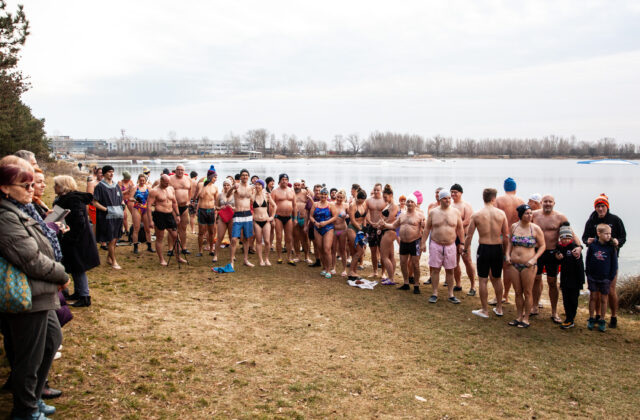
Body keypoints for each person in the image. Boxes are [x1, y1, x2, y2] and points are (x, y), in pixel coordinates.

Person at [0, 158, 69, 419]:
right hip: (27, 294)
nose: (32, 189)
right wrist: (61, 273)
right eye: (25, 184)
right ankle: (25, 410)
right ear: (5, 188)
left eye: (33, 184)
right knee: (29, 356)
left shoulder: (22, 209)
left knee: (51, 342)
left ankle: (34, 397)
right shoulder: (6, 216)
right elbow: (30, 259)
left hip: (41, 291)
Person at [531, 195, 582, 323]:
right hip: (537, 251)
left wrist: (580, 246)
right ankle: (535, 306)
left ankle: (554, 312)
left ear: (554, 203)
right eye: (545, 201)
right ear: (541, 202)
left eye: (550, 201)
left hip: (552, 252)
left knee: (552, 281)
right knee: (536, 279)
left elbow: (571, 232)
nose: (547, 204)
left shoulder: (560, 217)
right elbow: (525, 227)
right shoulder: (534, 215)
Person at [53, 175, 100, 308]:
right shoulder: (67, 198)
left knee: (79, 267)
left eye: (56, 185)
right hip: (74, 237)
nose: (54, 188)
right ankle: (79, 292)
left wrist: (70, 237)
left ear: (63, 186)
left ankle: (85, 296)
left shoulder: (73, 200)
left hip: (77, 239)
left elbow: (79, 222)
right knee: (75, 266)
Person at [582, 194, 626, 329]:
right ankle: (596, 316)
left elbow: (623, 237)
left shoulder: (615, 220)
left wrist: (618, 242)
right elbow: (585, 238)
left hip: (610, 261)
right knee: (595, 293)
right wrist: (587, 241)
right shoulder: (591, 220)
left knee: (610, 290)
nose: (600, 209)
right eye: (598, 206)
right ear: (595, 207)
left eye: (603, 206)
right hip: (596, 261)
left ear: (607, 207)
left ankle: (613, 316)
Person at [464, 188, 509, 318]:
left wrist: (466, 249)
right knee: (497, 278)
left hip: (484, 248)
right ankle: (499, 308)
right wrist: (506, 252)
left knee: (483, 280)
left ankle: (484, 310)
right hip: (497, 248)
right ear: (494, 198)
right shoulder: (501, 214)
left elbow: (469, 236)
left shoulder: (477, 214)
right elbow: (506, 236)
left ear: (483, 198)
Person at [504, 204, 545, 328]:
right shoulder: (514, 226)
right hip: (514, 264)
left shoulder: (535, 229)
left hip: (528, 265)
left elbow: (543, 246)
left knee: (527, 292)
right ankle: (518, 316)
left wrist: (534, 259)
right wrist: (507, 255)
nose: (530, 215)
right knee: (517, 292)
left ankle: (526, 318)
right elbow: (510, 242)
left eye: (531, 213)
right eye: (527, 213)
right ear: (521, 215)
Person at [421, 189, 464, 303]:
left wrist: (462, 243)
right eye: (445, 198)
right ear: (440, 199)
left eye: (449, 198)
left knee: (450, 270)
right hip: (436, 244)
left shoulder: (456, 212)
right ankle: (434, 293)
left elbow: (460, 229)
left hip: (450, 245)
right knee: (435, 270)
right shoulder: (433, 212)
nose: (448, 200)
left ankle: (451, 294)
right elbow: (427, 229)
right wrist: (423, 243)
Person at [382, 194, 424, 293]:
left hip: (415, 241)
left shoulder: (420, 215)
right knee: (403, 263)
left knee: (415, 264)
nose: (409, 203)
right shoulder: (402, 215)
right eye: (408, 201)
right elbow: (394, 225)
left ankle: (416, 285)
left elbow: (425, 229)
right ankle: (406, 283)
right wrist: (384, 225)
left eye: (411, 202)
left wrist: (423, 242)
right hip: (404, 242)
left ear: (415, 204)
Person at [494, 177, 524, 305]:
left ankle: (498, 296)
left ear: (504, 188)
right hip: (515, 237)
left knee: (496, 267)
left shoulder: (499, 200)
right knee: (508, 267)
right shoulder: (521, 201)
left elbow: (494, 218)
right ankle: (506, 295)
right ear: (515, 189)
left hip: (501, 236)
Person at [148, 174, 186, 266]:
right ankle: (161, 259)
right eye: (165, 183)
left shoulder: (170, 189)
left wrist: (177, 215)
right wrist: (150, 220)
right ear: (161, 181)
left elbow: (174, 203)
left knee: (175, 236)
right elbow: (149, 206)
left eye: (168, 183)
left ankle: (178, 257)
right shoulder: (154, 191)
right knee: (160, 238)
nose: (167, 184)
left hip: (169, 215)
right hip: (159, 215)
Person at [585, 224, 618, 332]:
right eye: (606, 234)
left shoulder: (611, 247)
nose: (609, 236)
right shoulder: (593, 246)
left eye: (610, 234)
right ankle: (591, 318)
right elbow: (588, 260)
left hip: (605, 278)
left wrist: (611, 277)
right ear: (599, 234)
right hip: (593, 277)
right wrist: (588, 274)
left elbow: (614, 264)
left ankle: (602, 320)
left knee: (604, 299)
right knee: (593, 297)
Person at [92, 165, 124, 270]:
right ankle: (114, 261)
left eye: (112, 172)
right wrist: (106, 209)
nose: (111, 174)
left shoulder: (116, 186)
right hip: (107, 216)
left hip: (118, 215)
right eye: (109, 172)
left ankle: (109, 258)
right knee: (110, 239)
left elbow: (121, 199)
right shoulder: (100, 187)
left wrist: (122, 205)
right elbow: (95, 202)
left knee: (115, 239)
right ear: (105, 173)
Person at [554, 222, 585, 329]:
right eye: (563, 238)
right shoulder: (560, 247)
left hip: (575, 280)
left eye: (568, 238)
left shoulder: (575, 248)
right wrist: (557, 254)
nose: (566, 240)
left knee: (573, 299)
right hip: (565, 279)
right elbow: (557, 255)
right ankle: (568, 316)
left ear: (571, 238)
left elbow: (580, 266)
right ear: (560, 239)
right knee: (566, 298)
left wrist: (581, 281)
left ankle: (570, 319)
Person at [450, 183, 476, 295]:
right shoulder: (449, 205)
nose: (453, 194)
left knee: (467, 260)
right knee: (454, 262)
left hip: (463, 237)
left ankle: (473, 286)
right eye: (452, 192)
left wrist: (455, 225)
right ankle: (458, 284)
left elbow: (468, 221)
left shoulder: (466, 205)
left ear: (461, 193)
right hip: (451, 237)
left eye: (455, 192)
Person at [228, 169, 254, 267]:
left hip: (247, 214)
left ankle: (245, 260)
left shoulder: (251, 187)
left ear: (248, 177)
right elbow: (227, 195)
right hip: (238, 214)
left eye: (246, 175)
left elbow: (253, 200)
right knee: (234, 239)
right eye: (243, 175)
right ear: (240, 176)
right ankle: (231, 261)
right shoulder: (236, 186)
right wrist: (231, 188)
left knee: (247, 239)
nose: (244, 177)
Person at [309, 188, 338, 278]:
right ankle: (324, 268)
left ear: (327, 195)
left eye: (325, 194)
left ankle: (329, 270)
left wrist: (326, 222)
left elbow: (335, 216)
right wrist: (315, 223)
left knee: (327, 249)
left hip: (328, 228)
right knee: (320, 249)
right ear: (320, 195)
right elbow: (311, 216)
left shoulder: (330, 205)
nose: (323, 196)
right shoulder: (315, 204)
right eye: (322, 194)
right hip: (317, 228)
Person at [271, 173, 296, 265]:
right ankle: (279, 257)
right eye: (283, 179)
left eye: (286, 179)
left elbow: (295, 205)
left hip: (289, 217)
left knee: (289, 238)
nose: (284, 181)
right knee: (279, 237)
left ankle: (289, 257)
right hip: (278, 217)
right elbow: (271, 206)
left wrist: (295, 218)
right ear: (279, 181)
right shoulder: (275, 191)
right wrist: (272, 218)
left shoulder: (291, 191)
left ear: (288, 181)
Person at [169, 165, 192, 255]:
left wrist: (189, 200)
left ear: (184, 170)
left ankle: (184, 247)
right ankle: (171, 248)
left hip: (184, 207)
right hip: (174, 207)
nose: (180, 171)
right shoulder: (171, 179)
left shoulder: (187, 179)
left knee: (183, 228)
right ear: (175, 170)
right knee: (173, 228)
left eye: (182, 170)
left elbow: (190, 190)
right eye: (178, 170)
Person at [378, 184, 398, 285]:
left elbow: (390, 220)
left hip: (390, 231)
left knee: (384, 256)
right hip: (387, 230)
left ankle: (391, 278)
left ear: (391, 195)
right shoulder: (389, 205)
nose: (384, 198)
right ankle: (391, 276)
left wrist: (381, 226)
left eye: (385, 197)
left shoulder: (394, 206)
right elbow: (385, 219)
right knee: (390, 255)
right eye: (383, 197)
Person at [252, 179, 275, 266]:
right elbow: (248, 206)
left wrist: (272, 217)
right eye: (256, 184)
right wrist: (252, 215)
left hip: (266, 221)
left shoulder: (266, 196)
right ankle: (260, 260)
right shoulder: (252, 196)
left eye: (259, 184)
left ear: (262, 186)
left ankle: (266, 259)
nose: (257, 186)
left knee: (267, 241)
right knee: (258, 241)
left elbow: (274, 206)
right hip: (257, 221)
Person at [196, 168, 218, 257]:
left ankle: (211, 249)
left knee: (211, 231)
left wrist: (216, 210)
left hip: (211, 210)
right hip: (202, 210)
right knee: (201, 232)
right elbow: (199, 196)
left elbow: (216, 201)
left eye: (216, 177)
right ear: (210, 177)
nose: (215, 179)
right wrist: (204, 186)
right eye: (214, 177)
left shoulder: (215, 187)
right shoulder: (201, 184)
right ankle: (200, 250)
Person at [365, 183, 385, 277]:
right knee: (373, 250)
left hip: (382, 227)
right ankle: (375, 271)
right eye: (375, 190)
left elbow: (387, 214)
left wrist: (381, 223)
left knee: (382, 251)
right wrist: (370, 222)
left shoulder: (384, 200)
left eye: (378, 190)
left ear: (381, 190)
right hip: (372, 227)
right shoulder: (369, 200)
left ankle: (383, 273)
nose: (376, 191)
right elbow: (366, 213)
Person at [347, 189, 367, 280]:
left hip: (361, 229)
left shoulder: (364, 204)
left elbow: (364, 218)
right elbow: (352, 220)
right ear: (357, 198)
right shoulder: (352, 205)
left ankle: (353, 272)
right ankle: (351, 271)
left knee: (358, 251)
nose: (362, 202)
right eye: (360, 200)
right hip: (352, 228)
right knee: (359, 250)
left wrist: (365, 229)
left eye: (363, 200)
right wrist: (360, 229)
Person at [213, 179, 235, 263]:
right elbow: (215, 206)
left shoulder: (234, 195)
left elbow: (237, 207)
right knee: (220, 237)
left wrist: (232, 207)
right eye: (224, 185)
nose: (226, 187)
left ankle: (233, 255)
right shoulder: (220, 195)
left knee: (231, 237)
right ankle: (215, 255)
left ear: (230, 186)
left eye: (228, 185)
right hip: (222, 218)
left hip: (232, 217)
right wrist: (220, 208)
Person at [131, 174, 153, 254]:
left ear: (146, 180)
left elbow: (152, 197)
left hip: (146, 208)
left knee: (147, 229)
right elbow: (130, 198)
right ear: (138, 180)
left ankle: (149, 246)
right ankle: (135, 247)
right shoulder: (135, 187)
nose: (142, 182)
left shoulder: (148, 188)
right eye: (141, 180)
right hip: (137, 208)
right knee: (136, 228)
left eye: (143, 180)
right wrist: (136, 199)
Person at [330, 190, 349, 277]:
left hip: (343, 229)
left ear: (344, 198)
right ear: (336, 196)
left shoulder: (346, 205)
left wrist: (347, 216)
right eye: (338, 197)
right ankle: (333, 268)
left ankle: (344, 269)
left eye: (341, 197)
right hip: (333, 229)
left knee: (343, 249)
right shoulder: (332, 204)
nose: (339, 199)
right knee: (333, 249)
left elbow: (351, 214)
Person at [292, 180, 312, 263]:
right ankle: (297, 256)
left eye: (298, 185)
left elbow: (313, 196)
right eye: (295, 185)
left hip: (304, 218)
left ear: (301, 185)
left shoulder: (305, 192)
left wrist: (306, 186)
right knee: (296, 237)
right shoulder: (291, 192)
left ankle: (307, 256)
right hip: (294, 217)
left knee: (305, 238)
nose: (296, 187)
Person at [118, 171, 135, 239]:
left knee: (134, 213)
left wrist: (132, 190)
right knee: (124, 215)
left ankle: (134, 228)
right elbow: (119, 193)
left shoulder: (131, 181)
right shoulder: (120, 183)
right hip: (122, 199)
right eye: (127, 178)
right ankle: (127, 230)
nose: (128, 180)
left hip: (129, 199)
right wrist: (127, 190)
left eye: (129, 178)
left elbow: (133, 190)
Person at [189, 170, 199, 234]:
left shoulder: (188, 182)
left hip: (189, 200)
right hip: (195, 200)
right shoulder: (196, 182)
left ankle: (192, 230)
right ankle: (198, 230)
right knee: (197, 215)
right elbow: (197, 192)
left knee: (191, 216)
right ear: (196, 176)